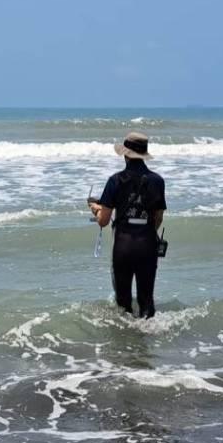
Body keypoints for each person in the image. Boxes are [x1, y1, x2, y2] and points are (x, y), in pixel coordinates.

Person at [89, 131, 166, 318]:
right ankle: (148, 339)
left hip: (123, 245)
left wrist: (95, 209)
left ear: (125, 154)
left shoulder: (115, 180)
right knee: (146, 301)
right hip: (147, 244)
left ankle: (126, 342)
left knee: (123, 302)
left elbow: (104, 221)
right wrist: (145, 231)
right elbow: (158, 218)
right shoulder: (157, 181)